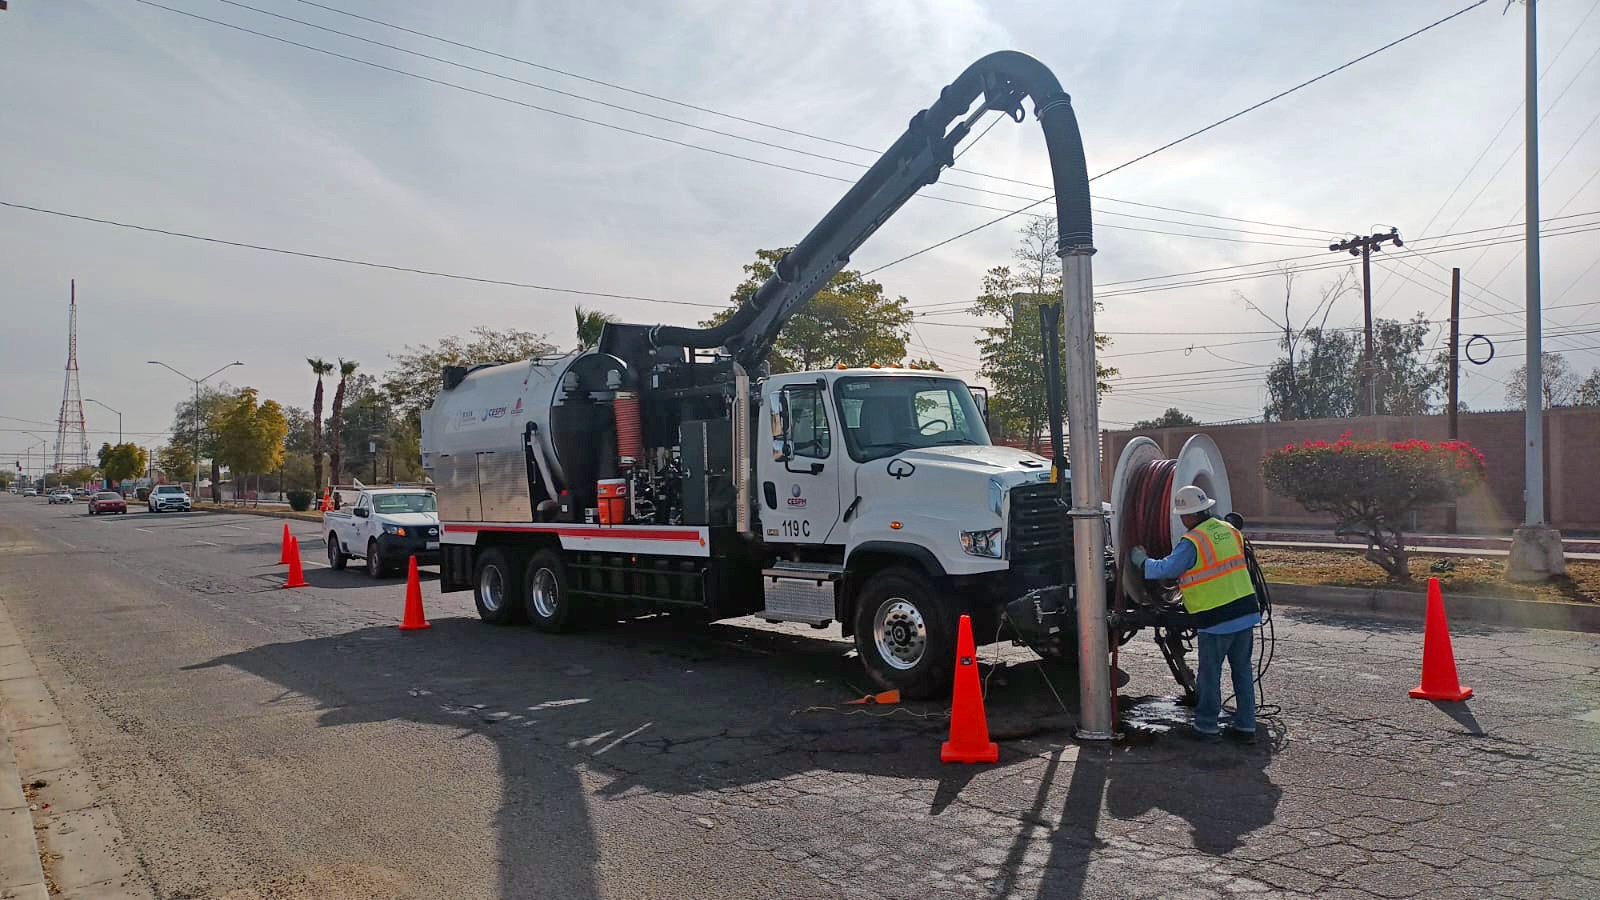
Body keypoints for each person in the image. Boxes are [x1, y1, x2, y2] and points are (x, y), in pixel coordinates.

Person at [1130, 485, 1261, 743]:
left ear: (1189, 515)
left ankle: (1207, 726)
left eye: (1182, 515)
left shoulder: (1193, 542)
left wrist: (1142, 560)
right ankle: (1247, 727)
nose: (1181, 520)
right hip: (1245, 611)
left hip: (1216, 618)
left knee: (1210, 674)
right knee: (1243, 671)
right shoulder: (1229, 529)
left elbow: (1167, 569)